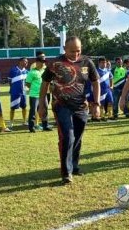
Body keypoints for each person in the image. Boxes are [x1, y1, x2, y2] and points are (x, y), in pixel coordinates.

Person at [38, 36, 100, 184]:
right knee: (68, 136)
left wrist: (96, 104)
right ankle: (66, 172)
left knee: (77, 137)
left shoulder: (87, 62)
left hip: (81, 107)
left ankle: (74, 166)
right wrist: (42, 104)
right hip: (62, 106)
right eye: (72, 51)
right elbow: (45, 83)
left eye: (78, 51)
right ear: (65, 49)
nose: (75, 54)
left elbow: (96, 82)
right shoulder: (55, 63)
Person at [25, 57, 49, 132]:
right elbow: (27, 84)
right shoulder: (32, 72)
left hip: (43, 95)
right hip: (34, 95)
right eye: (41, 62)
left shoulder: (45, 71)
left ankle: (45, 126)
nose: (43, 63)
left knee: (44, 110)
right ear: (37, 62)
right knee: (33, 111)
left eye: (44, 62)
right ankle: (31, 127)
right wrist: (35, 89)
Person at [87, 57, 113, 121]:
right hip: (101, 90)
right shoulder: (96, 71)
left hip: (108, 89)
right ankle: (101, 115)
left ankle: (110, 115)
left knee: (111, 102)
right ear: (99, 63)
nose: (104, 64)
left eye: (105, 62)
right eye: (102, 63)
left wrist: (111, 85)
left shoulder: (108, 70)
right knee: (101, 103)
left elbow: (111, 77)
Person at [9, 57, 28, 128]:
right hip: (15, 92)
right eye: (25, 61)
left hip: (23, 92)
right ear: (20, 62)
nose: (26, 63)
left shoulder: (27, 71)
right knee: (13, 108)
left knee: (24, 107)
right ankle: (11, 122)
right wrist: (14, 88)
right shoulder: (13, 70)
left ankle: (24, 121)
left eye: (27, 62)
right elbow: (10, 81)